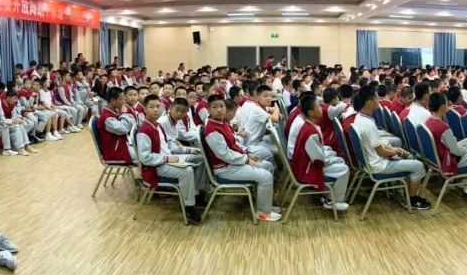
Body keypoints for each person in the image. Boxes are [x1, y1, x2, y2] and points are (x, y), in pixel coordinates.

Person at [202, 94, 282, 222]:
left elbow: (235, 144)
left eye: (221, 106)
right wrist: (246, 160)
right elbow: (224, 154)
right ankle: (263, 213)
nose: (219, 110)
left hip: (233, 163)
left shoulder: (224, 123)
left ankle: (264, 204)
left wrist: (247, 153)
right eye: (214, 107)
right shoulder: (212, 130)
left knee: (268, 166)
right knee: (266, 176)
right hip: (225, 168)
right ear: (208, 109)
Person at [351, 86, 430, 210]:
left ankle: (407, 194)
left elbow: (377, 145)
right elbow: (380, 151)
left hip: (371, 161)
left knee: (404, 154)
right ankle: (412, 200)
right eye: (376, 98)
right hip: (379, 165)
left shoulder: (360, 117)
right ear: (369, 102)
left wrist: (396, 150)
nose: (378, 100)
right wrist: (397, 152)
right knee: (418, 166)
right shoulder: (368, 125)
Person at [137, 95, 202, 223]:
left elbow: (170, 146)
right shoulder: (144, 130)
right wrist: (167, 159)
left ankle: (196, 193)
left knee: (200, 158)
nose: (156, 110)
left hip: (167, 159)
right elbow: (145, 158)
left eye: (158, 106)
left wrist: (187, 150)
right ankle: (189, 206)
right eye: (151, 107)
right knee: (187, 171)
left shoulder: (157, 125)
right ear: (145, 109)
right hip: (156, 166)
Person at [288, 94, 350, 211]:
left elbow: (317, 152)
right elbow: (318, 161)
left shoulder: (308, 124)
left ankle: (328, 195)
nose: (322, 108)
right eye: (318, 107)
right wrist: (332, 160)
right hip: (307, 169)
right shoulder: (310, 131)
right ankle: (332, 201)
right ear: (311, 112)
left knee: (337, 160)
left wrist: (330, 157)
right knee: (344, 169)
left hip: (305, 163)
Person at [425, 93, 467, 201]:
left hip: (436, 159)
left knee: (466, 142)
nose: (448, 106)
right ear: (442, 107)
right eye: (446, 104)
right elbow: (455, 151)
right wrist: (466, 150)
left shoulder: (428, 121)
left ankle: (465, 181)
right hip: (448, 162)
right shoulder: (443, 127)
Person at [98, 87, 137, 165]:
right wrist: (124, 114)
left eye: (124, 99)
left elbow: (133, 123)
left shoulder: (115, 111)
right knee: (143, 157)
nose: (124, 102)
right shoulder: (107, 118)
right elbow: (124, 129)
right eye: (121, 99)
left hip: (122, 144)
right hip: (115, 152)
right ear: (113, 101)